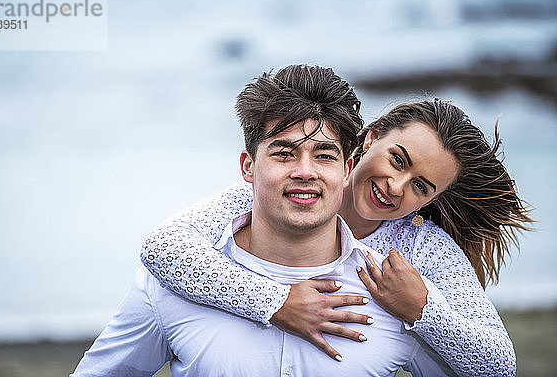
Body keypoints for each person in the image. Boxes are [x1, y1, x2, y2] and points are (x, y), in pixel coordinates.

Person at [71, 65, 457, 376]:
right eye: (284, 153)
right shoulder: (173, 281)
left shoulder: (397, 295)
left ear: (347, 168)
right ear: (248, 166)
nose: (305, 172)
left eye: (324, 156)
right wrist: (273, 303)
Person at [141, 73, 532, 376]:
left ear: (430, 200)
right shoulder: (277, 191)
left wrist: (422, 309)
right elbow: (163, 247)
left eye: (421, 186)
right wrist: (277, 302)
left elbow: (497, 365)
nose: (395, 187)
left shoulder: (422, 249)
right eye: (398, 160)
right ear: (370, 139)